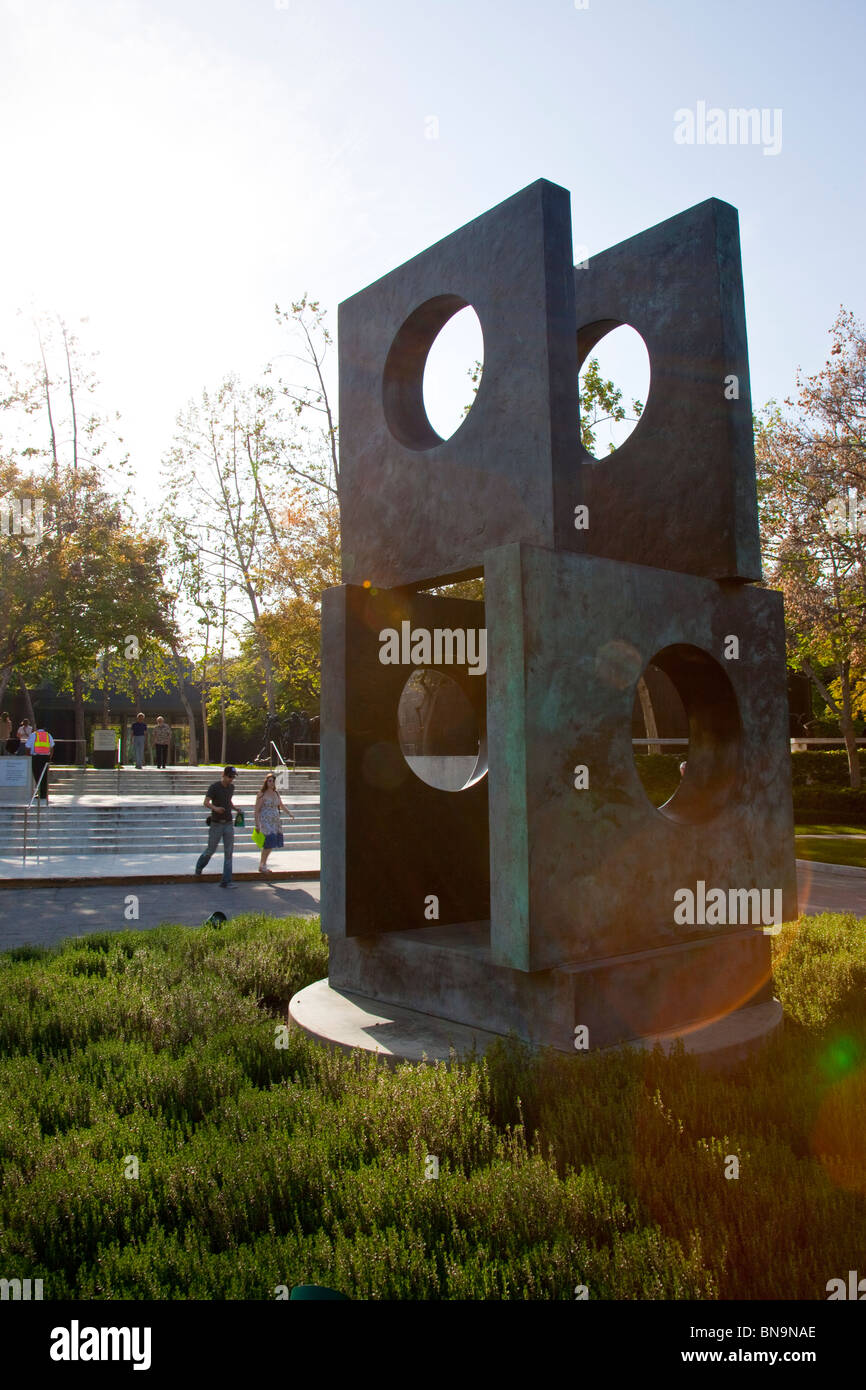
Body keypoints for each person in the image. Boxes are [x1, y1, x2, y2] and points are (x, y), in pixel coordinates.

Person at [195, 766, 238, 887]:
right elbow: (206, 802)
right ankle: (199, 866)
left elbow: (229, 801)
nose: (231, 779)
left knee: (229, 852)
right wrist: (215, 808)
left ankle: (226, 881)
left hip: (228, 822)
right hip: (216, 823)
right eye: (230, 776)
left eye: (233, 777)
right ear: (223, 775)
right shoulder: (214, 787)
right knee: (211, 850)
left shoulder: (231, 788)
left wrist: (235, 808)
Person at [254, 772, 295, 874]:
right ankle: (262, 864)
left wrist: (289, 813)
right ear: (266, 782)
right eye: (269, 781)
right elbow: (256, 810)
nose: (271, 783)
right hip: (265, 820)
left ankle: (263, 863)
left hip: (275, 820)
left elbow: (281, 804)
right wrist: (257, 824)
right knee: (268, 841)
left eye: (273, 781)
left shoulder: (276, 793)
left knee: (271, 843)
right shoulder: (261, 794)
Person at [25, 722, 54, 800]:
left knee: (37, 775)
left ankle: (40, 792)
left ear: (36, 727)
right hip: (46, 758)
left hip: (36, 758)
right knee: (44, 776)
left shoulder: (33, 735)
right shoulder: (48, 735)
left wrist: (29, 756)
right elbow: (51, 747)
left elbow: (27, 747)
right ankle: (44, 794)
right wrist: (49, 758)